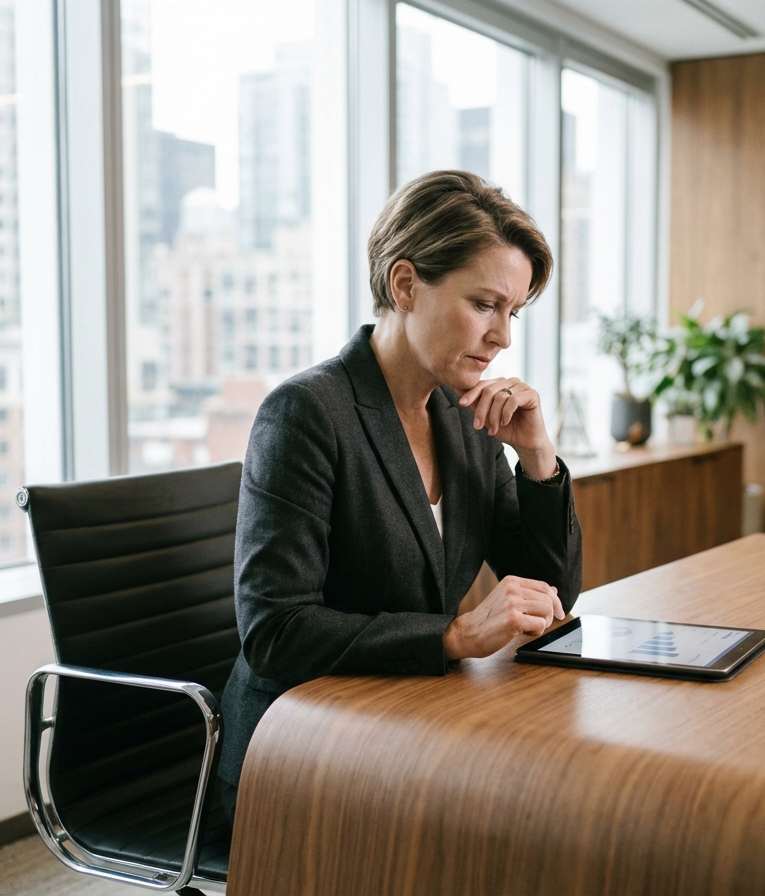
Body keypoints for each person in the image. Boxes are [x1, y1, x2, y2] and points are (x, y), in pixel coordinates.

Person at [217, 170, 583, 820]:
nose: (503, 336)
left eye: (514, 312)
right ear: (406, 284)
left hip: (407, 721)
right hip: (302, 744)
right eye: (484, 304)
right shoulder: (307, 413)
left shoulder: (463, 417)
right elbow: (275, 632)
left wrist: (536, 456)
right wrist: (453, 634)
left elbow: (550, 594)